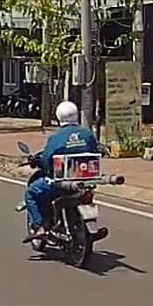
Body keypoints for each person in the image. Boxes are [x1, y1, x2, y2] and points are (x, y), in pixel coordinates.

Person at [23, 100, 100, 242]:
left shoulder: (56, 138)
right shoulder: (88, 134)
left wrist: (38, 162)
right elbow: (96, 151)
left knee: (31, 193)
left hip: (61, 183)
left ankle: (40, 227)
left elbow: (46, 160)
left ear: (59, 116)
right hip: (85, 181)